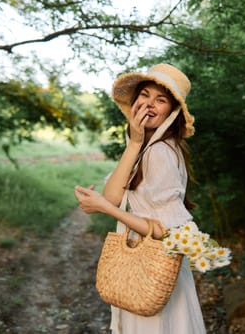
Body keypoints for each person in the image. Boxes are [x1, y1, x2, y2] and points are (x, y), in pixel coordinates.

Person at [74, 63, 206, 334]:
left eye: (161, 99)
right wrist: (133, 143)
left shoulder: (161, 152)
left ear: (172, 112)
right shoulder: (145, 147)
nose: (149, 104)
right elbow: (112, 196)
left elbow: (166, 232)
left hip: (154, 268)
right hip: (141, 270)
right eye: (144, 95)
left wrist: (104, 209)